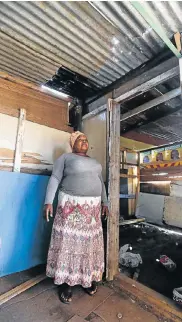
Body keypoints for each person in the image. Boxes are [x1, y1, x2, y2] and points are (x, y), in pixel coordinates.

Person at [44, 131, 109, 304]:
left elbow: (101, 183)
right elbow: (55, 178)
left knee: (87, 245)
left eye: (86, 140)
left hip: (92, 210)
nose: (84, 142)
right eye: (80, 140)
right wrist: (48, 201)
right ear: (73, 144)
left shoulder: (95, 162)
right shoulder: (65, 158)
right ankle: (66, 283)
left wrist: (105, 202)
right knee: (69, 244)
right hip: (70, 207)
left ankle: (86, 279)